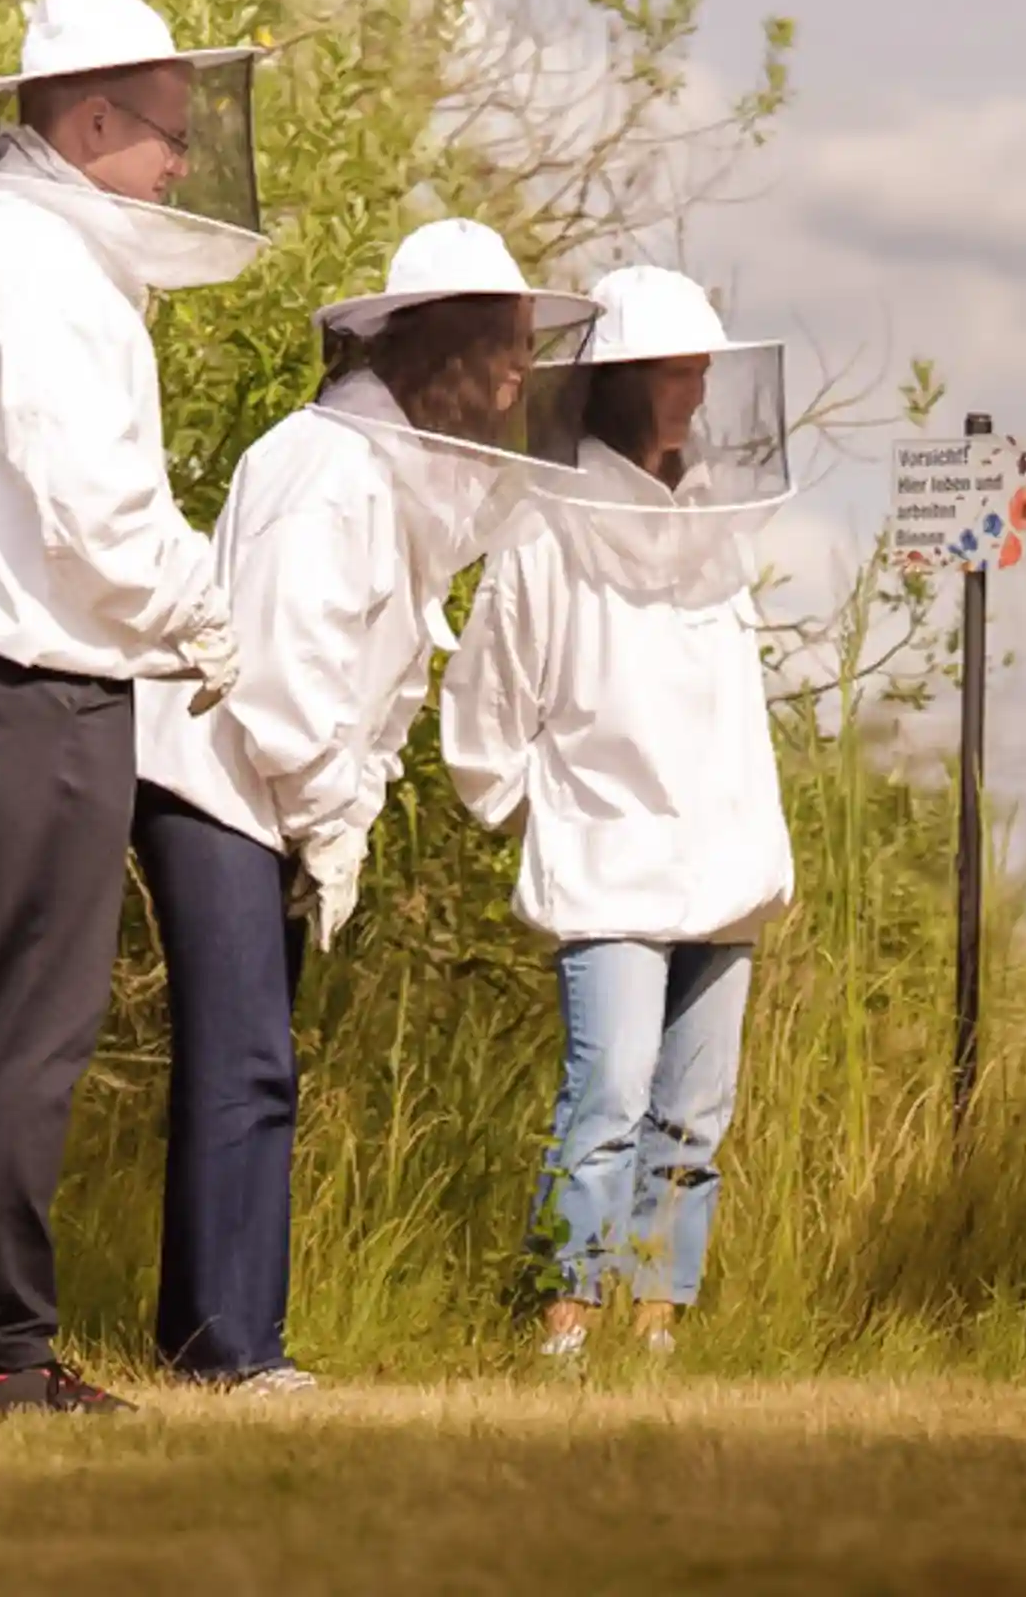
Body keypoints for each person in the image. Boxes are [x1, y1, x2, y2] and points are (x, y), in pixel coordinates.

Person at [130, 217, 598, 1393]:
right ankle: (229, 1350)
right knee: (246, 1064)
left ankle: (224, 1337)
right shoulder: (325, 465)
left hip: (270, 791)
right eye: (500, 346)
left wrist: (346, 808)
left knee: (259, 1060)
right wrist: (328, 813)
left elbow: (379, 679)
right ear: (434, 345)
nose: (513, 375)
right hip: (219, 779)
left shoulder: (401, 479)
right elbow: (286, 672)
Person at [0, 0, 263, 1414]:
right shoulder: (45, 272)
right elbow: (96, 513)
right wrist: (206, 609)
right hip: (37, 675)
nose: (182, 164)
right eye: (169, 135)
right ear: (97, 116)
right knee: (27, 1024)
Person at [440, 265, 793, 1360]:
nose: (693, 391)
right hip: (606, 862)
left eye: (701, 370)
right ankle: (565, 1320)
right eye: (675, 371)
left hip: (722, 862)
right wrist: (542, 817)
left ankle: (654, 1326)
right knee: (608, 1095)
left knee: (693, 1117)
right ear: (623, 383)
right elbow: (486, 708)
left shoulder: (719, 527)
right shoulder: (545, 529)